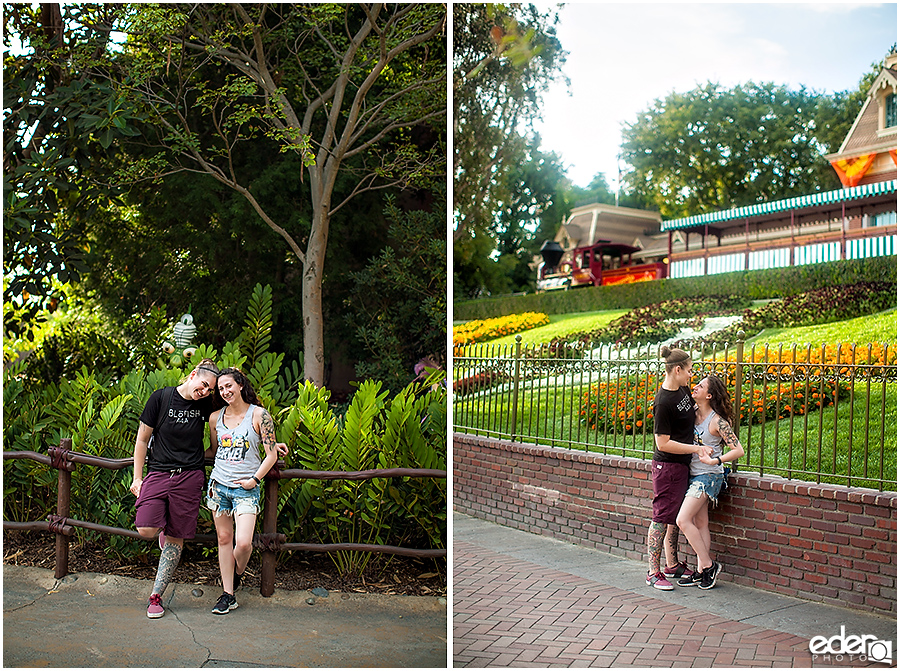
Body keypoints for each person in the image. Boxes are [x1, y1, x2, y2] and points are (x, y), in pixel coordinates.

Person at [131, 358, 221, 619]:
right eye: (203, 385)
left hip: (190, 477)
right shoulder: (161, 398)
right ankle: (163, 528)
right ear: (193, 375)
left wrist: (270, 442)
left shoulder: (205, 404)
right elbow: (142, 439)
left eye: (209, 390)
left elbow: (236, 407)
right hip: (158, 472)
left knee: (176, 537)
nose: (205, 392)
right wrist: (138, 478)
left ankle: (156, 596)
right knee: (146, 528)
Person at [205, 368, 279, 615]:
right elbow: (216, 452)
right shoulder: (215, 418)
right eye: (221, 388)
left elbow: (271, 455)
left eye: (229, 386)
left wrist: (254, 479)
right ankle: (228, 594)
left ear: (240, 385)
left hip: (246, 488)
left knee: (244, 543)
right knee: (224, 540)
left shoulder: (260, 415)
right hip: (219, 486)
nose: (225, 391)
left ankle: (236, 573)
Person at [647, 346, 712, 591]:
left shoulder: (682, 390)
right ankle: (653, 571)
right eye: (689, 370)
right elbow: (662, 442)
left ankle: (672, 565)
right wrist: (696, 449)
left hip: (683, 466)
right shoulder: (663, 402)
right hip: (668, 467)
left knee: (675, 516)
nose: (691, 375)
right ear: (677, 370)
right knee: (661, 518)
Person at [675, 375, 745, 589]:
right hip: (693, 474)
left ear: (710, 395)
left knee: (683, 520)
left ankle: (708, 564)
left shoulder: (717, 422)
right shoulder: (692, 413)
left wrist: (715, 460)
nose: (695, 387)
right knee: (700, 523)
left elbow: (738, 450)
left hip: (709, 476)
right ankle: (700, 572)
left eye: (701, 386)